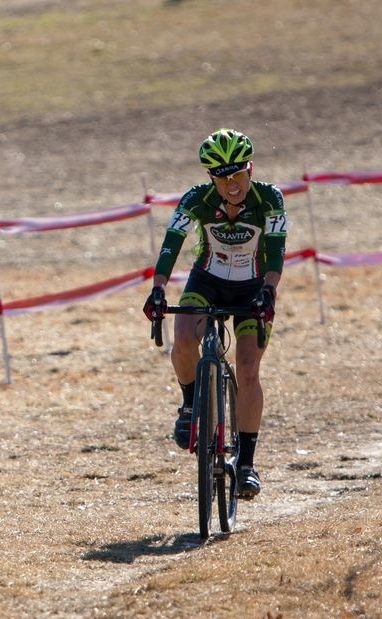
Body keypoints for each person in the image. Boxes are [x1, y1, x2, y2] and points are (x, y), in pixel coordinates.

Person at [143, 128, 287, 499]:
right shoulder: (198, 200)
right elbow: (171, 244)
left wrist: (269, 292)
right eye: (222, 177)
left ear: (250, 169)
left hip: (253, 286)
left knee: (248, 367)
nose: (232, 183)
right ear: (211, 178)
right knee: (185, 340)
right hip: (206, 280)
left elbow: (275, 252)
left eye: (238, 173)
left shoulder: (269, 199)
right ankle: (190, 404)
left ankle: (246, 464)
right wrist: (158, 288)